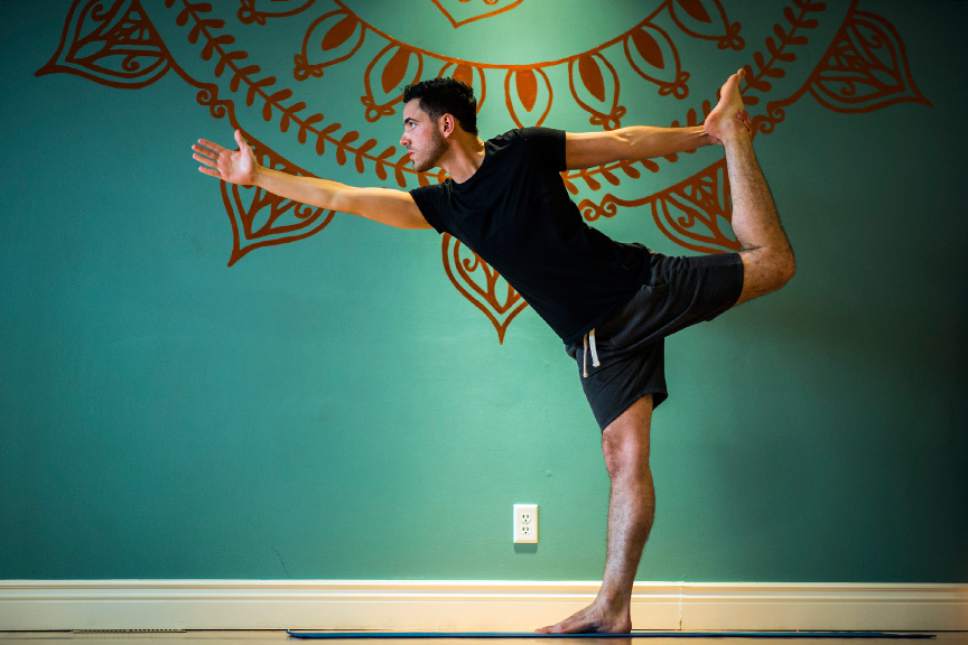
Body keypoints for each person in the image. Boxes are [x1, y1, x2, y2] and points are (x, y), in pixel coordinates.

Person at [190, 69, 795, 634]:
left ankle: (735, 135)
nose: (402, 137)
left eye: (409, 124)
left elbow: (622, 141)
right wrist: (260, 178)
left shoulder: (523, 151)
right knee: (622, 456)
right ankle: (612, 608)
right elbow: (344, 198)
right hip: (594, 341)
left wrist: (703, 134)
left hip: (642, 289)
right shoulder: (445, 209)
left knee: (774, 263)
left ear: (445, 124)